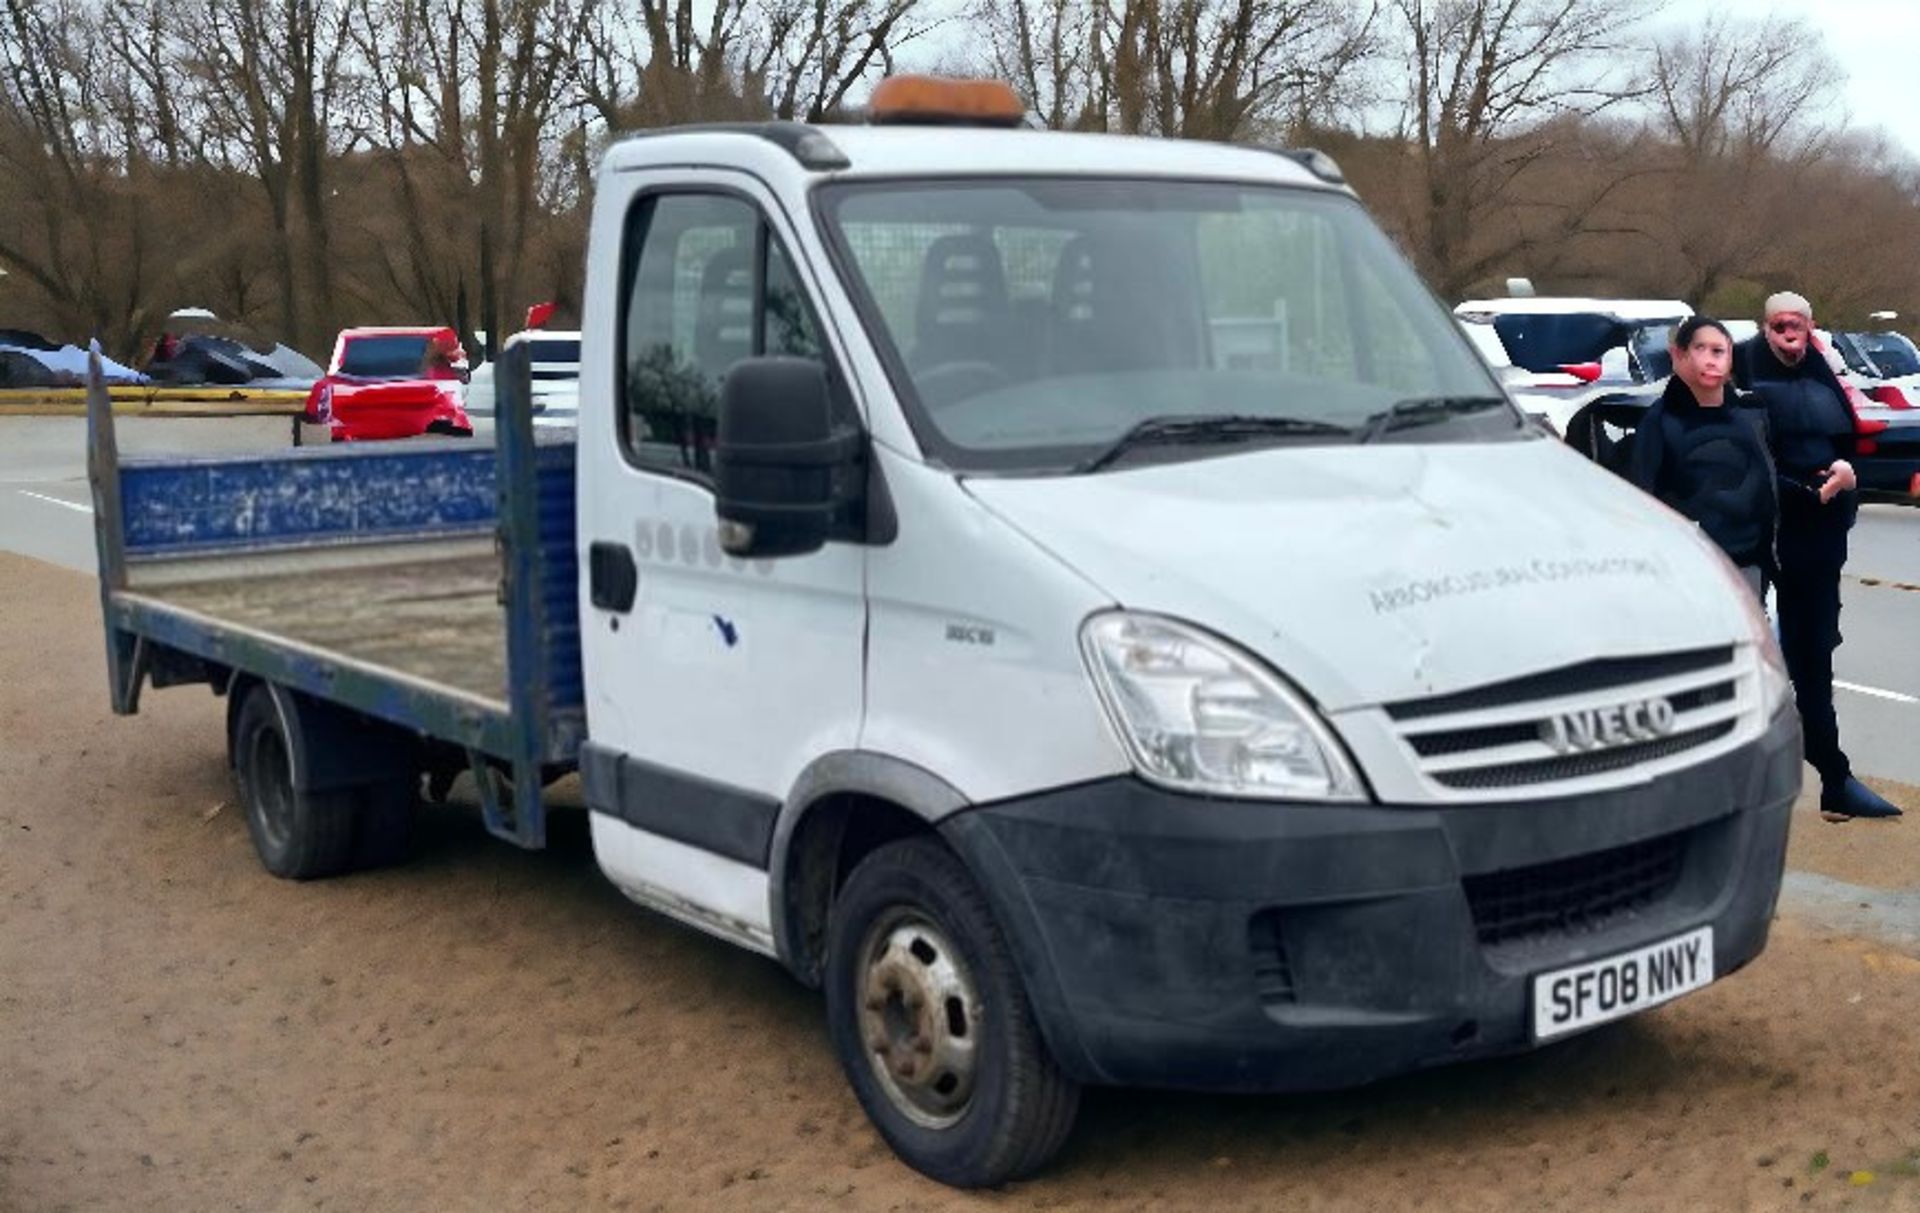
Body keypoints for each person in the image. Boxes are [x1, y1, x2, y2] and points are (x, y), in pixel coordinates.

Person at [1734, 291, 1901, 821]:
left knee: (1815, 656)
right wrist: (1800, 492)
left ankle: (1834, 778)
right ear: (1766, 326)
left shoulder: (1824, 368)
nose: (1790, 333)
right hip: (1758, 533)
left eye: (1799, 325)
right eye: (1780, 325)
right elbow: (1734, 451)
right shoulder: (1737, 364)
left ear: (1812, 326)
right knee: (1743, 663)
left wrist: (1851, 472)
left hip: (1819, 538)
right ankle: (1734, 791)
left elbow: (1850, 437)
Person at [1625, 317, 1774, 596]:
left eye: (1718, 351)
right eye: (1700, 349)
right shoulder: (1659, 422)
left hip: (1751, 560)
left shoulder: (1751, 416)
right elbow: (1642, 495)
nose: (1710, 360)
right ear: (1679, 356)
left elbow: (1773, 479)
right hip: (1690, 565)